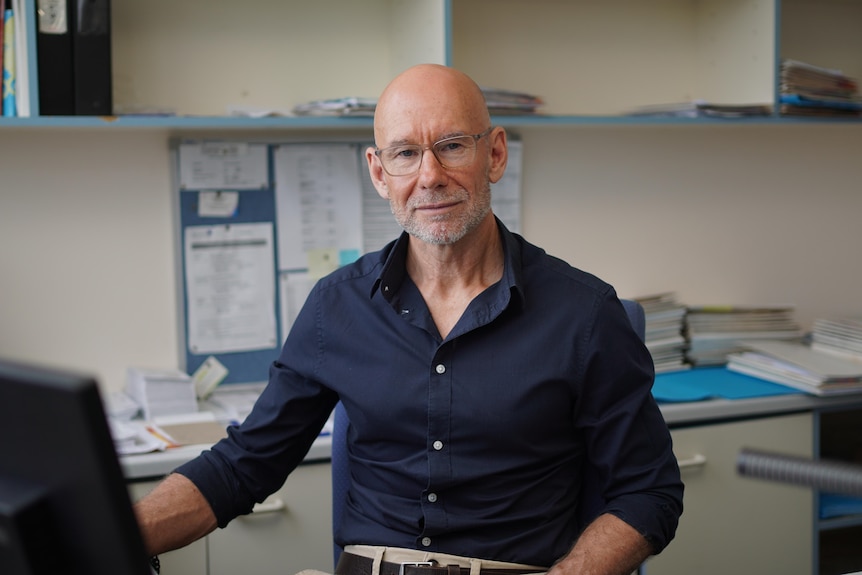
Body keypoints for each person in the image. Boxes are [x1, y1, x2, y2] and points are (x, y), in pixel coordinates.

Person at [135, 64, 683, 575]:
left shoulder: (583, 314)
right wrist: (115, 536)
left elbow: (649, 491)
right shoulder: (337, 306)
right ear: (379, 172)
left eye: (450, 146)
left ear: (494, 154)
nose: (430, 176)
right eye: (404, 153)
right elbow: (244, 463)